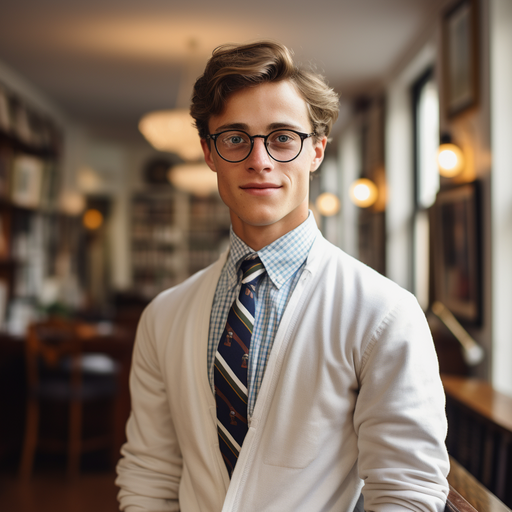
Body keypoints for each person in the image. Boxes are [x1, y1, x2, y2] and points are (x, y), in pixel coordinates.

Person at [116, 41, 449, 512]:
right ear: (209, 154)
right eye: (234, 137)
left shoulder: (384, 312)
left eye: (282, 137)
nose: (259, 160)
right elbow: (150, 472)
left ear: (316, 151)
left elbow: (406, 490)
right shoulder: (164, 315)